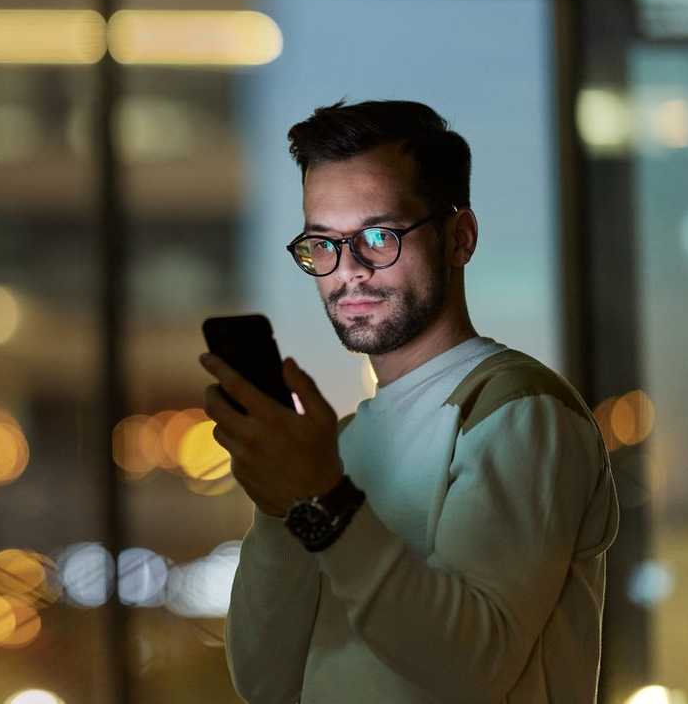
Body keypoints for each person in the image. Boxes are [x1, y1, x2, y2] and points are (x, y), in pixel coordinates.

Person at [197, 99, 620, 703]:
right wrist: (279, 509)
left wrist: (326, 500)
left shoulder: (517, 409)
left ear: (459, 237)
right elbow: (267, 682)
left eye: (378, 235)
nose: (350, 271)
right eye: (323, 244)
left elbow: (471, 668)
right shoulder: (336, 448)